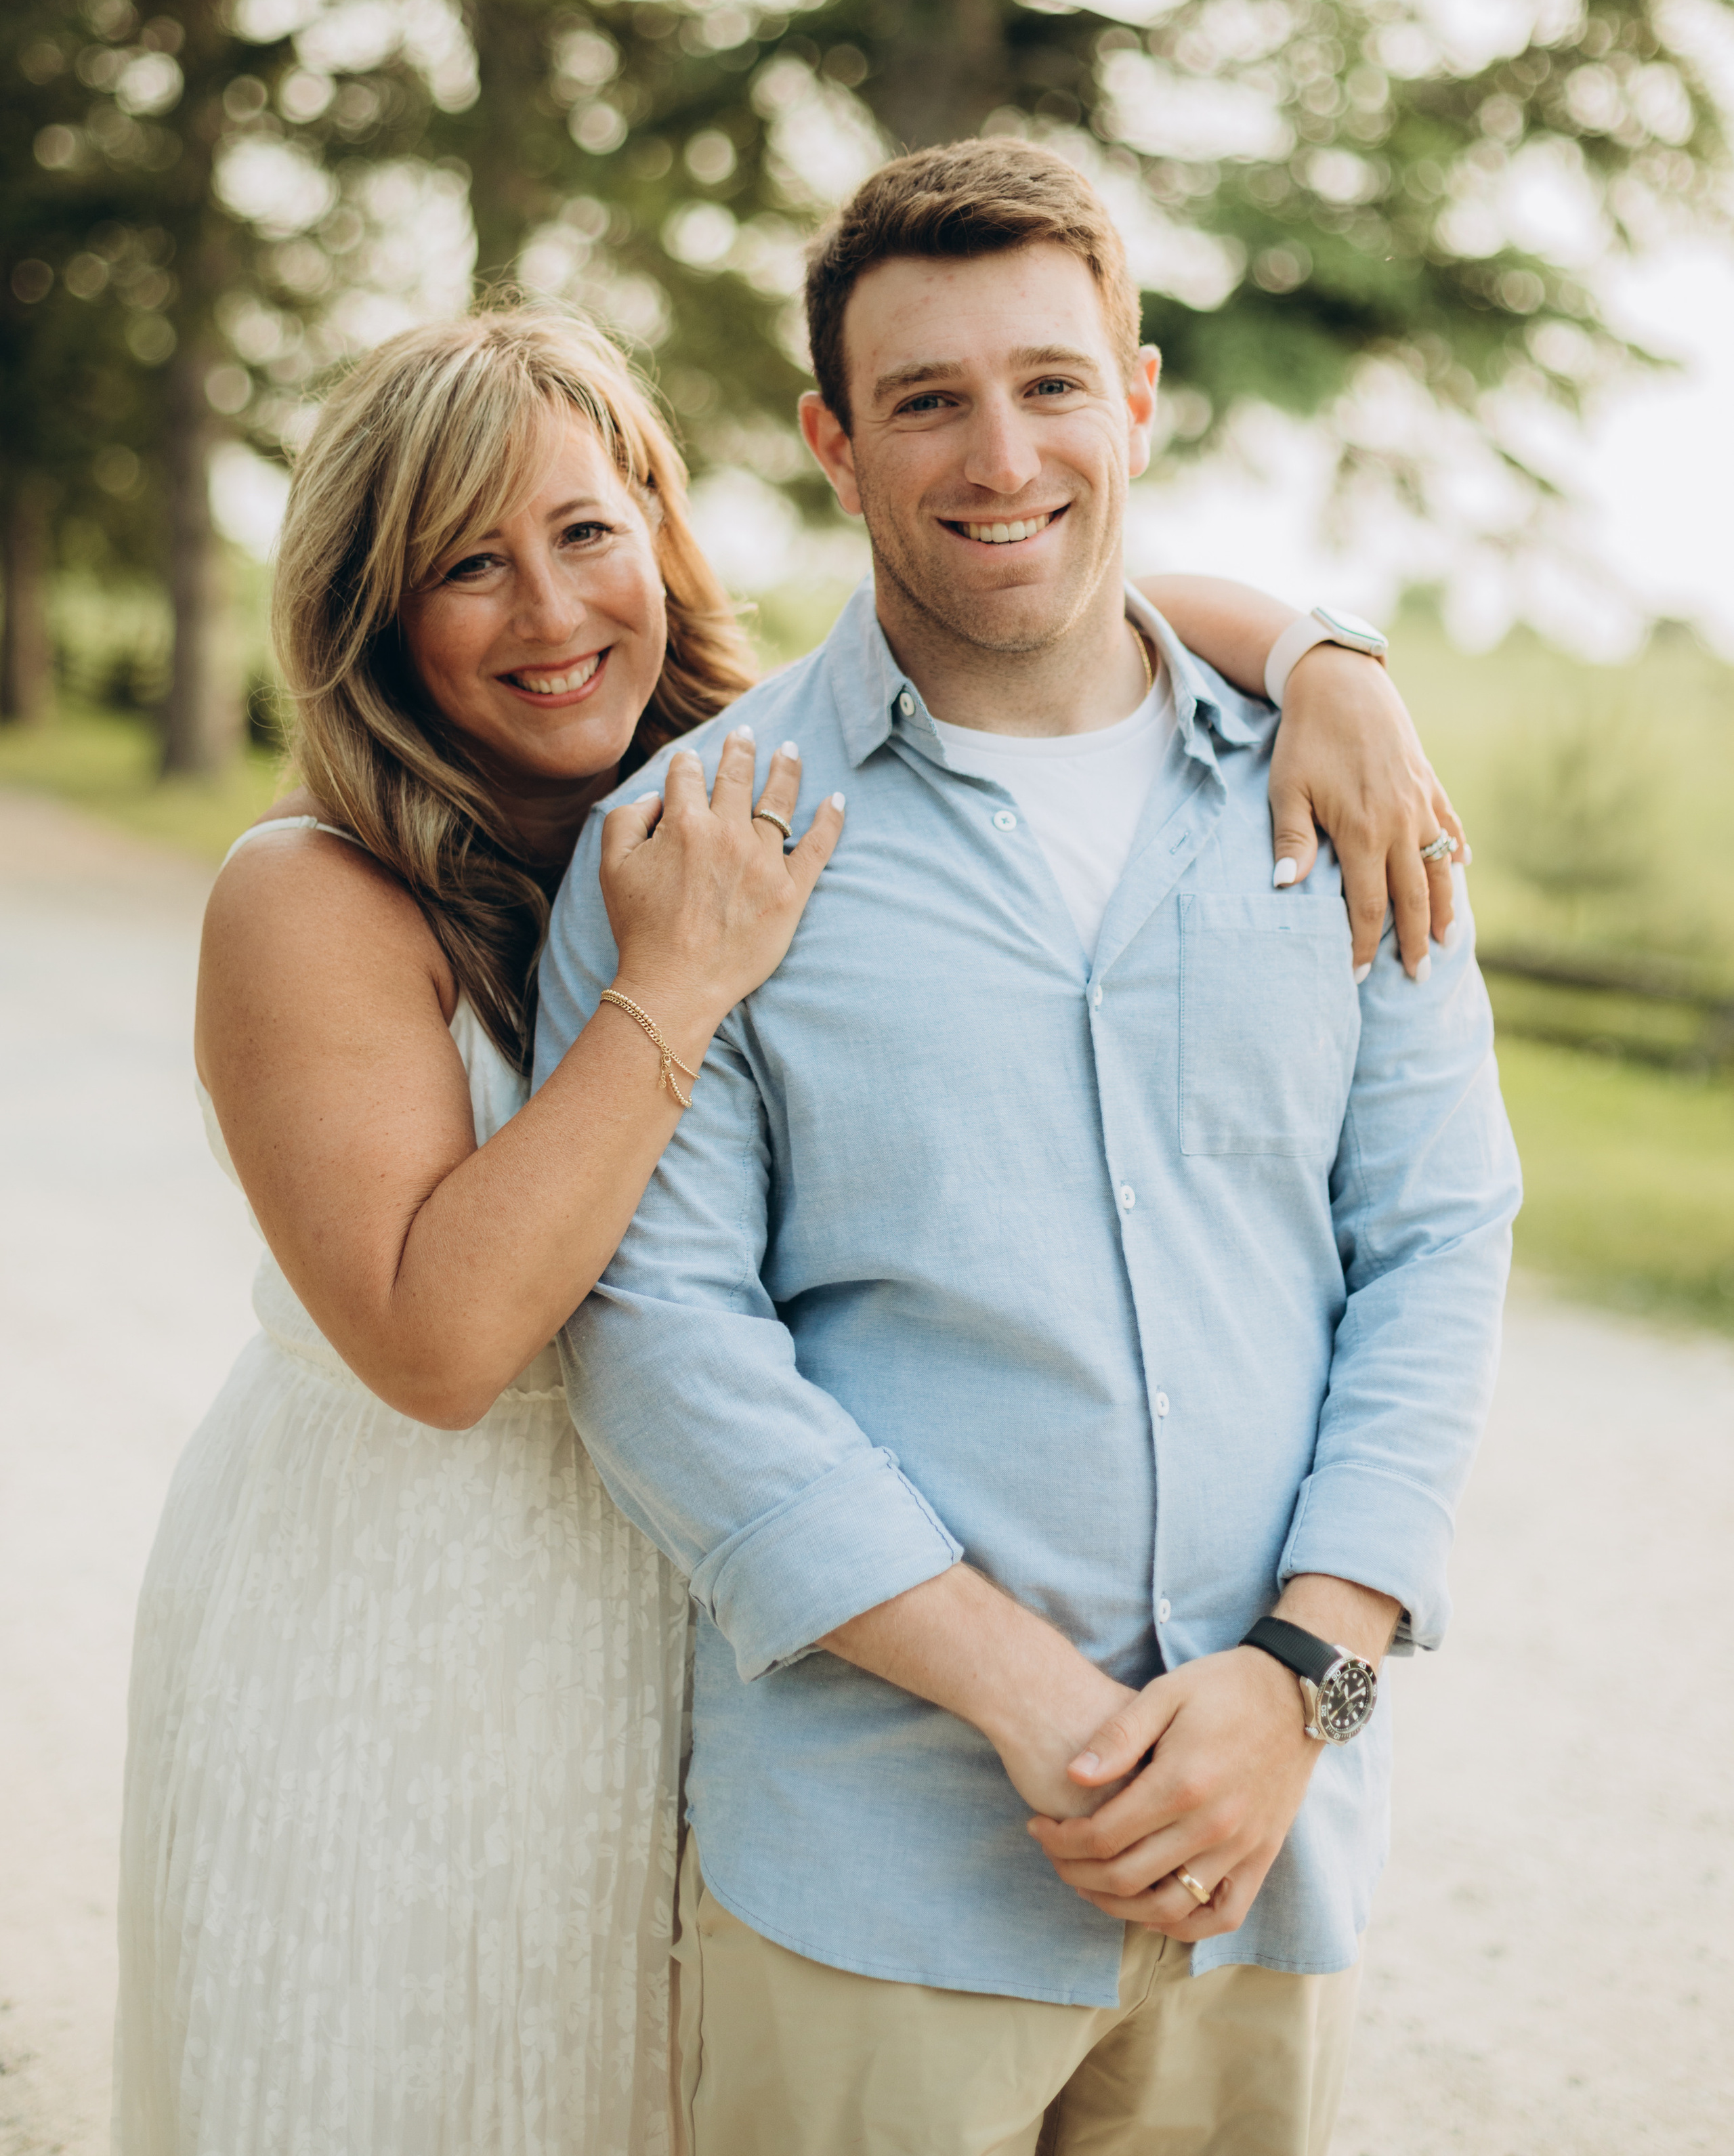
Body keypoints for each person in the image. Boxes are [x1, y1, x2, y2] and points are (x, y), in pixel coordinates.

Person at [112, 300, 1453, 2155]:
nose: (553, 610)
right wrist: (667, 989)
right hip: (404, 1617)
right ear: (372, 618)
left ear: (663, 533)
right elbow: (438, 1343)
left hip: (678, 1615)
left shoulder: (728, 785)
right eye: (465, 568)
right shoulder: (312, 895)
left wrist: (1321, 655)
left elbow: (1040, 586)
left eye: (588, 534)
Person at [541, 142, 1522, 2156]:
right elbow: (656, 1324)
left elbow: (1439, 1236)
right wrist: (1039, 1710)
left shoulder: (1341, 791)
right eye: (927, 400)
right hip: (875, 1875)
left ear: (1138, 396)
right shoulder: (696, 841)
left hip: (1274, 1856)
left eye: (1053, 383)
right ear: (833, 439)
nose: (1003, 453)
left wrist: (1294, 1683)